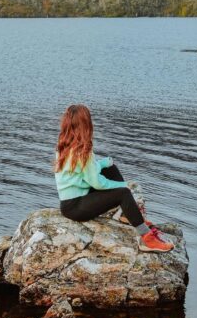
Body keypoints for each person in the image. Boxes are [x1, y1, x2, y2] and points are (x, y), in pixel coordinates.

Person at [54, 104, 174, 253]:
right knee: (123, 193)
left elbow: (84, 172)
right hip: (76, 208)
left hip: (71, 203)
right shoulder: (82, 151)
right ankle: (146, 238)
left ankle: (125, 213)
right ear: (86, 125)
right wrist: (123, 185)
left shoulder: (64, 144)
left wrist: (103, 164)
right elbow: (97, 183)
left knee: (110, 168)